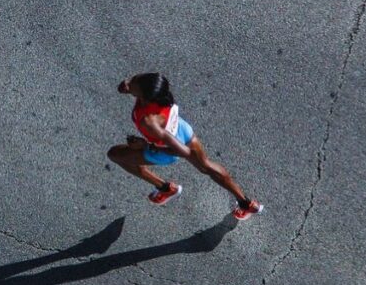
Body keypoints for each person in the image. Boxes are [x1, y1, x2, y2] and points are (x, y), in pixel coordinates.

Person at [107, 73, 263, 219]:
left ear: (145, 96)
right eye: (134, 79)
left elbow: (182, 151)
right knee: (206, 166)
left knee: (115, 155)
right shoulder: (159, 92)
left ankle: (166, 189)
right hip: (182, 130)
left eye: (133, 83)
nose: (129, 82)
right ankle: (246, 203)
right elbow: (128, 87)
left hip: (166, 150)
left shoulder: (149, 122)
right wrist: (129, 88)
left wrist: (148, 145)